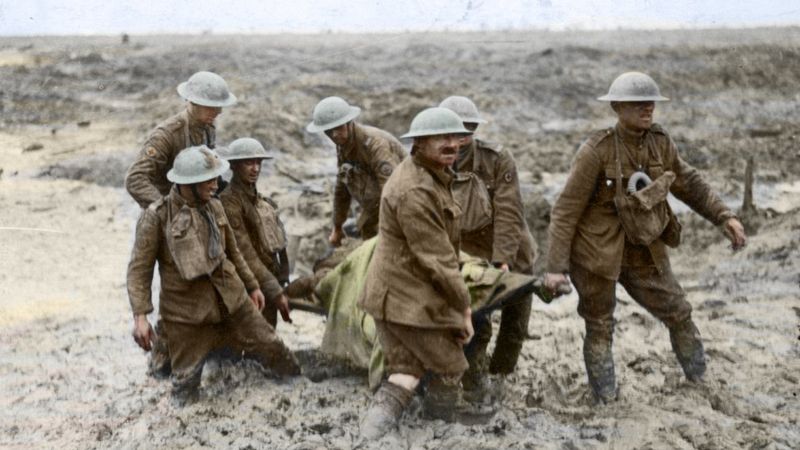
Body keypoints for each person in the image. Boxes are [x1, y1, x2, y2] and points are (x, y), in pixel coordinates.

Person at [543, 72, 747, 404]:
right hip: (596, 254)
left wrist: (725, 217)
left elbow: (689, 183)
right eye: (638, 103)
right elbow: (565, 210)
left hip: (644, 249)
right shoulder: (596, 150)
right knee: (599, 324)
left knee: (679, 310)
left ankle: (700, 381)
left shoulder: (661, 143)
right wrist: (556, 267)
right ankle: (605, 400)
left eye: (651, 102)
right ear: (617, 107)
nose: (647, 108)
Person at [127, 145, 300, 404]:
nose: (216, 184)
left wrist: (252, 287)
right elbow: (139, 270)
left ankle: (300, 390)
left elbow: (234, 251)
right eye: (209, 180)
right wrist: (140, 317)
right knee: (184, 392)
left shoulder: (215, 206)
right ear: (190, 183)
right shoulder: (157, 218)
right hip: (186, 316)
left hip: (233, 302)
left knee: (275, 349)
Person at [358, 107, 475, 439]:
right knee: (452, 366)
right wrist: (463, 309)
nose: (452, 144)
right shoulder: (415, 190)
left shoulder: (430, 174)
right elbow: (438, 260)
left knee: (406, 373)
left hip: (397, 292)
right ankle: (442, 428)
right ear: (420, 144)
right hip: (405, 297)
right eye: (442, 138)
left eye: (456, 137)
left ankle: (372, 436)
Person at [125, 71, 237, 377]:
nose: (218, 112)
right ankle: (163, 362)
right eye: (212, 106)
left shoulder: (206, 128)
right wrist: (166, 211)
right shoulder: (168, 134)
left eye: (219, 106)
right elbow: (135, 179)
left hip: (194, 217)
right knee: (177, 294)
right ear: (192, 101)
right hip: (169, 224)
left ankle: (206, 348)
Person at [439, 95, 537, 400]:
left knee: (516, 323)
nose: (461, 137)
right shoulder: (433, 161)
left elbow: (509, 212)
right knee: (476, 321)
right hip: (467, 252)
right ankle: (475, 381)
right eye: (454, 130)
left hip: (511, 250)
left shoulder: (497, 160)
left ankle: (501, 375)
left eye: (468, 130)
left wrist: (503, 260)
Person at [305, 96, 405, 245]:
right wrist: (337, 226)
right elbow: (342, 188)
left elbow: (392, 190)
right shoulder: (344, 145)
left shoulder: (375, 144)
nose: (334, 135)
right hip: (376, 204)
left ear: (349, 123)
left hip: (403, 201)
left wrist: (390, 229)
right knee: (366, 231)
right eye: (328, 131)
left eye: (338, 127)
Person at [219, 137, 292, 328]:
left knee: (268, 333)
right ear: (233, 165)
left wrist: (282, 279)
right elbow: (244, 252)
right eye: (248, 163)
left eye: (258, 162)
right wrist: (275, 290)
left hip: (268, 280)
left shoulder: (261, 201)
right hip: (247, 285)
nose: (255, 169)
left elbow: (278, 245)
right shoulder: (229, 203)